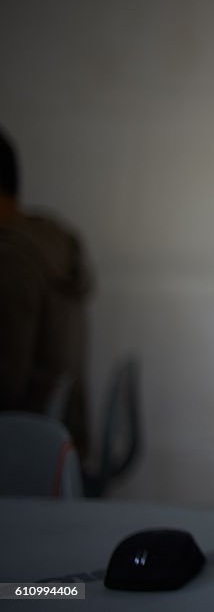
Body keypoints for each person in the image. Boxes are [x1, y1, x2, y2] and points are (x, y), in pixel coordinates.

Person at [0, 125, 93, 454]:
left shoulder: (11, 258)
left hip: (22, 446)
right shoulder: (52, 242)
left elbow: (6, 383)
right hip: (60, 440)